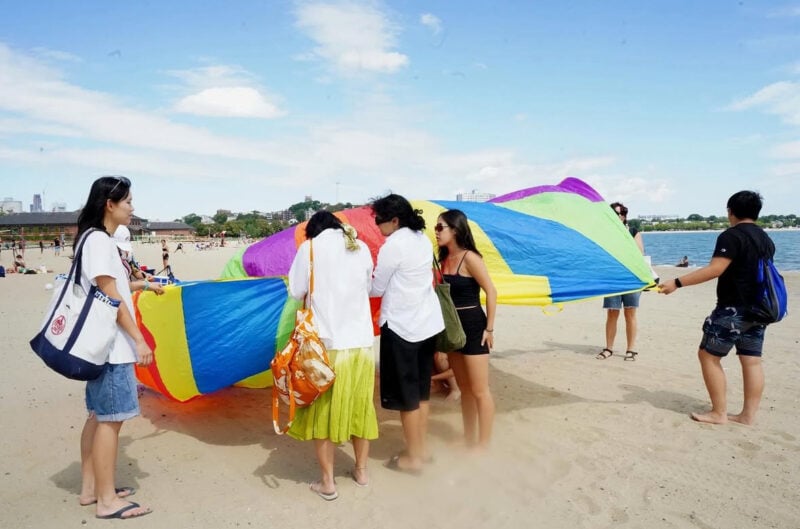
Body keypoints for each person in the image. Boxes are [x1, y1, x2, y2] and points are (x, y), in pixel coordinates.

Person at [74, 175, 153, 519]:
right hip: (112, 348)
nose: (133, 207)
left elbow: (110, 285)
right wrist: (138, 339)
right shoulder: (100, 242)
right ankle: (107, 501)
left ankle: (92, 489)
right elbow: (110, 295)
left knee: (98, 416)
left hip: (99, 347)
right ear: (110, 204)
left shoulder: (92, 239)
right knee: (111, 420)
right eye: (128, 201)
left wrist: (142, 285)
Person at [659, 191, 774, 426]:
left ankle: (719, 412)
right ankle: (747, 416)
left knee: (708, 356)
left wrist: (677, 283)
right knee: (751, 360)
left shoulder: (731, 236)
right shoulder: (765, 238)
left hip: (733, 309)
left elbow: (715, 269)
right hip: (759, 309)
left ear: (731, 211)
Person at [285, 211, 377, 500]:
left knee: (321, 414)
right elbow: (370, 287)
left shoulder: (309, 248)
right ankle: (361, 471)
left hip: (325, 345)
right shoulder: (360, 247)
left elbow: (296, 290)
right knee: (361, 408)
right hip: (360, 344)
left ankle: (328, 482)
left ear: (312, 230)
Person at [370, 194, 444, 474]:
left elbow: (377, 288)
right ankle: (420, 450)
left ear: (394, 219)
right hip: (427, 324)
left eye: (379, 220)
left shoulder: (394, 245)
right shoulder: (422, 239)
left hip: (403, 327)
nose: (377, 226)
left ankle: (413, 458)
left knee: (407, 398)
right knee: (421, 393)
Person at [435, 209, 497, 449]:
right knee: (465, 390)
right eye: (436, 228)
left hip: (473, 326)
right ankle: (469, 437)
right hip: (452, 329)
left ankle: (484, 444)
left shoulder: (469, 257)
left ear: (456, 229)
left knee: (480, 390)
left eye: (441, 227)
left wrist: (489, 329)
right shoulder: (441, 260)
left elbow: (491, 291)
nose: (436, 232)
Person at [597, 202, 645, 361]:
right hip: (612, 278)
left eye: (616, 214)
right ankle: (608, 348)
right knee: (612, 313)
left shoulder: (633, 232)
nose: (613, 216)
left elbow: (639, 253)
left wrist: (624, 236)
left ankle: (631, 349)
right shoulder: (605, 234)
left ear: (623, 216)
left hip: (631, 279)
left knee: (630, 313)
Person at [113, 225, 164, 295]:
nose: (125, 252)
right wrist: (144, 284)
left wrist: (146, 276)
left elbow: (135, 270)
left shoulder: (127, 255)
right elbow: (120, 286)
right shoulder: (109, 260)